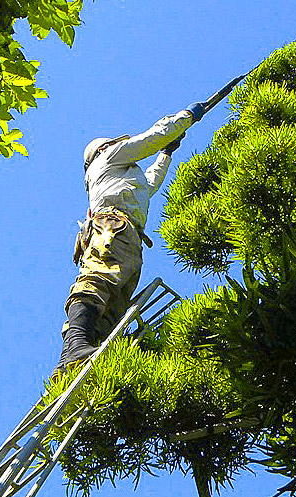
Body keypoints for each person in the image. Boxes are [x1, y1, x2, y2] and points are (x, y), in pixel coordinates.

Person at [55, 102, 207, 373]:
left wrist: (166, 154)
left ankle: (74, 358)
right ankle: (76, 343)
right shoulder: (108, 156)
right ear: (105, 148)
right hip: (113, 226)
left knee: (114, 296)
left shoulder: (118, 176)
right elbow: (151, 137)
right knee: (99, 279)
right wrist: (186, 117)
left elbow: (148, 186)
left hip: (127, 232)